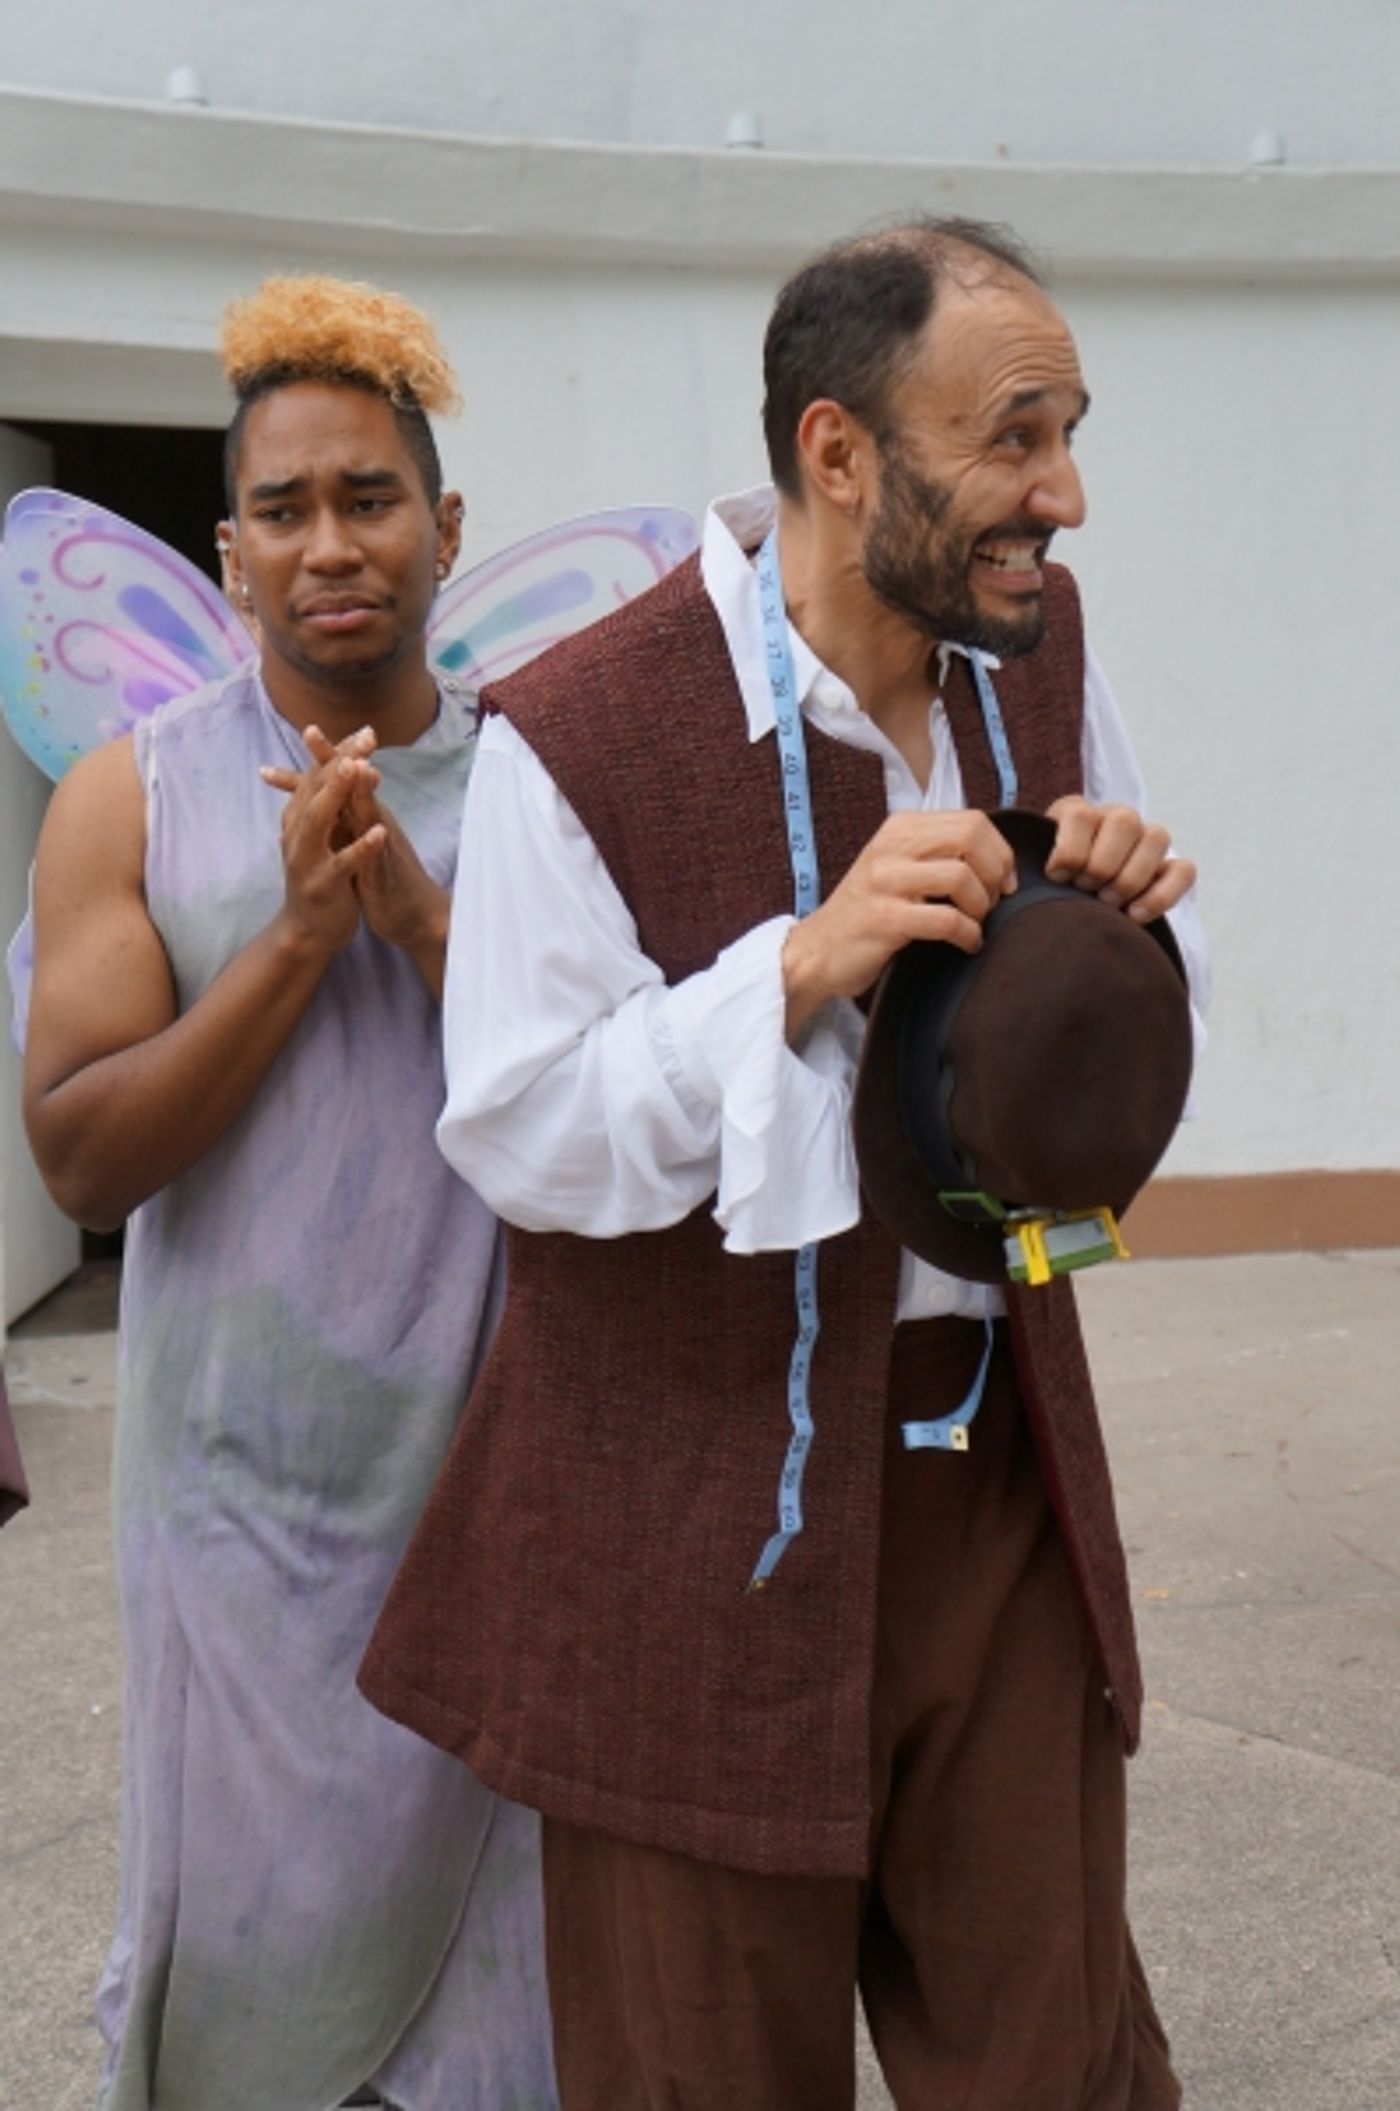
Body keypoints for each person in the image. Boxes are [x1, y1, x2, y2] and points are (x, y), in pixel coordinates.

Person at [361, 218, 1209, 2108]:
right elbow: (520, 1132)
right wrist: (799, 969)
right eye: (1013, 438)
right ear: (837, 453)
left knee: (1051, 2064)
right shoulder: (576, 732)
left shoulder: (1041, 657)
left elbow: (1139, 1019)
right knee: (701, 2073)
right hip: (677, 1528)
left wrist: (1129, 939)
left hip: (995, 1483)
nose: (1060, 495)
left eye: (1068, 433)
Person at [22, 277, 554, 2111]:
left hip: (499, 1484)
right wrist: (292, 942)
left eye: (372, 497)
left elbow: (619, 1106)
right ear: (227, 547)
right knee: (250, 1977)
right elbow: (80, 1149)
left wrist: (422, 927)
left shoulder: (550, 791)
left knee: (508, 1997)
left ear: (445, 526)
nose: (331, 544)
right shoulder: (128, 797)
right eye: (283, 507)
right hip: (234, 1499)